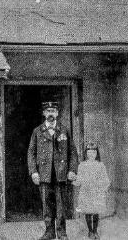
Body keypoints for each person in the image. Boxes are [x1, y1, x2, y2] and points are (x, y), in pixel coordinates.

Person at [27, 101, 79, 240]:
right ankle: (49, 232)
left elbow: (72, 152)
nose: (51, 113)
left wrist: (72, 170)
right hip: (44, 174)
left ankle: (62, 233)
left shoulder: (64, 129)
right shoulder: (37, 131)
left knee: (61, 206)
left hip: (60, 173)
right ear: (44, 113)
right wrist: (34, 171)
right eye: (48, 111)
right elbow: (31, 152)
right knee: (47, 205)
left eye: (53, 111)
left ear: (57, 113)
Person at [72, 142, 110, 239]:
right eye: (89, 152)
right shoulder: (82, 165)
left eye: (93, 152)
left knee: (96, 211)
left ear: (97, 154)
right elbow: (79, 179)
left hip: (97, 191)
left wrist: (104, 187)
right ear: (86, 153)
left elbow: (105, 178)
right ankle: (90, 231)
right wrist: (74, 180)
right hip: (86, 191)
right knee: (88, 211)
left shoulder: (101, 165)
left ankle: (95, 230)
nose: (91, 154)